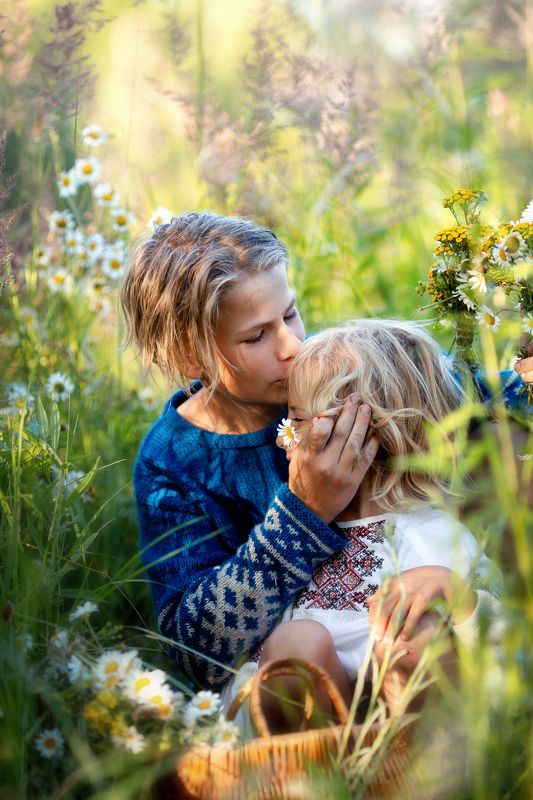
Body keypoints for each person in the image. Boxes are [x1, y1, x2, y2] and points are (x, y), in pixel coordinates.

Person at [120, 212, 532, 697]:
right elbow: (199, 652)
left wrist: (522, 388)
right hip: (301, 680)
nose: (293, 346)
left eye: (290, 313)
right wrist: (305, 511)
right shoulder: (175, 460)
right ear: (193, 355)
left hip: (403, 632)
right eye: (257, 336)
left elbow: (447, 392)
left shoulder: (333, 369)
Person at [253, 320, 503, 721]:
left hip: (414, 733)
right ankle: (302, 773)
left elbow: (506, 652)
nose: (283, 438)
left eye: (296, 421)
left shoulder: (431, 535)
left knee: (411, 635)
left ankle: (420, 774)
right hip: (325, 737)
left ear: (363, 436)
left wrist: (451, 588)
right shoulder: (303, 536)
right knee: (294, 641)